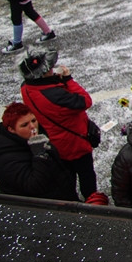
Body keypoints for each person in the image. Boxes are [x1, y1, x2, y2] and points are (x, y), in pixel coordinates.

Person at [19, 50, 97, 199]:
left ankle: (72, 202)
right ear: (41, 75)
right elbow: (85, 101)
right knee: (86, 175)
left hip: (55, 143)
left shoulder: (26, 87)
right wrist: (68, 80)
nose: (52, 70)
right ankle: (92, 201)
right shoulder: (55, 96)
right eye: (48, 69)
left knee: (66, 177)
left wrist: (56, 80)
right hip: (75, 143)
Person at [0, 102, 78, 200]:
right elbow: (36, 187)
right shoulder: (6, 160)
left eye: (33, 120)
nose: (32, 126)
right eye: (25, 125)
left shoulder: (38, 138)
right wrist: (39, 155)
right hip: (45, 209)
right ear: (11, 129)